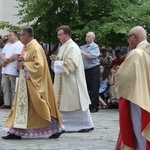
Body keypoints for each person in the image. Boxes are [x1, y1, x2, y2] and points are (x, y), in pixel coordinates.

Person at [2, 26, 64, 139]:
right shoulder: (26, 47)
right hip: (25, 82)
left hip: (34, 83)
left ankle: (56, 127)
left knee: (40, 104)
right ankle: (16, 131)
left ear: (26, 36)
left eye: (21, 35)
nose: (20, 37)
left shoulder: (35, 48)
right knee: (22, 107)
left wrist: (24, 65)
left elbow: (39, 66)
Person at [51, 25, 94, 132]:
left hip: (72, 81)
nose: (58, 37)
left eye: (60, 35)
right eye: (58, 35)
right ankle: (63, 124)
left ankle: (85, 124)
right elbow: (63, 60)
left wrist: (56, 63)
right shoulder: (63, 46)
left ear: (67, 34)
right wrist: (55, 59)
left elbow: (71, 63)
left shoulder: (73, 47)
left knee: (75, 102)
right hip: (64, 80)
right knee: (63, 102)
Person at [115, 26, 150, 149]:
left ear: (135, 37)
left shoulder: (136, 53)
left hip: (138, 99)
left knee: (138, 130)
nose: (128, 41)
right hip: (148, 97)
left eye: (129, 38)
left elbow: (124, 77)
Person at [0, 31, 23, 109]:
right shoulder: (7, 45)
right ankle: (7, 102)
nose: (9, 37)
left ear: (15, 36)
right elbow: (2, 54)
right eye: (8, 35)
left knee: (13, 87)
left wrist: (6, 61)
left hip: (13, 69)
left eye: (10, 35)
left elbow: (16, 55)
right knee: (4, 86)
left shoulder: (19, 44)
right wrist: (4, 60)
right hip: (5, 69)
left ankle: (13, 103)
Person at [80, 32, 100, 113]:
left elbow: (89, 57)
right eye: (86, 36)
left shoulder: (95, 47)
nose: (87, 37)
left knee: (94, 88)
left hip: (93, 69)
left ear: (93, 38)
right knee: (86, 88)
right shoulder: (82, 47)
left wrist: (81, 51)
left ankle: (94, 106)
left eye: (89, 36)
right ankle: (87, 105)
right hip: (84, 69)